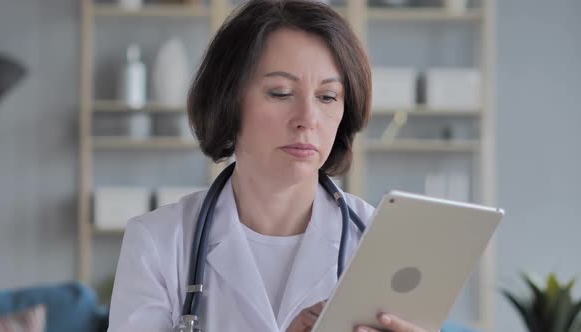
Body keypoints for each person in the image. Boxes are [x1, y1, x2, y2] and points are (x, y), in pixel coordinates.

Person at [108, 1, 429, 331]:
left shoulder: (381, 243)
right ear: (228, 101)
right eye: (281, 92)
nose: (307, 118)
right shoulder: (158, 243)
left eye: (328, 96)